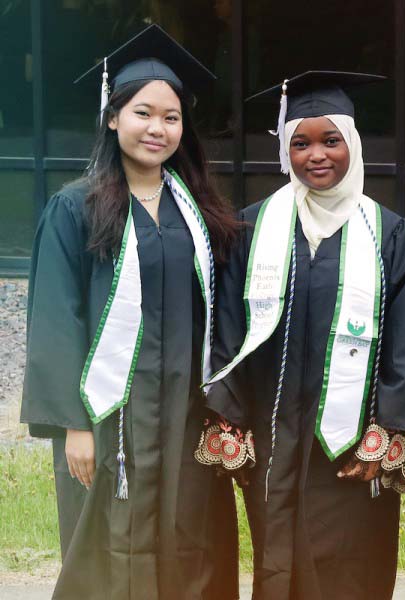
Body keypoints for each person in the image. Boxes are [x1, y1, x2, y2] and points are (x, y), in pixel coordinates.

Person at [20, 25, 241, 600]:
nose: (158, 129)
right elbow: (54, 322)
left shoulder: (201, 212)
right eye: (143, 113)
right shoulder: (75, 208)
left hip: (187, 412)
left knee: (190, 530)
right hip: (109, 415)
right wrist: (73, 424)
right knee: (109, 538)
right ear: (113, 116)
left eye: (171, 117)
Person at [204, 71, 405, 599]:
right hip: (273, 434)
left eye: (331, 140)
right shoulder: (253, 228)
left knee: (352, 563)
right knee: (275, 555)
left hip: (354, 442)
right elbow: (228, 330)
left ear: (352, 144)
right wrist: (231, 420)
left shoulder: (389, 232)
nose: (316, 155)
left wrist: (392, 431)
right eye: (300, 143)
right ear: (286, 152)